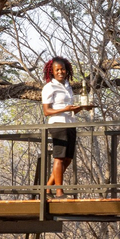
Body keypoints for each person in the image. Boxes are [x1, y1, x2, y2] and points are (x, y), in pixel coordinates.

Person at [41, 57, 91, 197]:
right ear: (52, 71)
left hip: (70, 123)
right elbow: (47, 111)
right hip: (57, 124)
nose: (60, 72)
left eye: (62, 69)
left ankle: (47, 187)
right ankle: (59, 192)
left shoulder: (68, 85)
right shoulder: (49, 87)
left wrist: (81, 108)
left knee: (68, 159)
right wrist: (64, 109)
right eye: (57, 70)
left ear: (67, 69)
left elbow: (70, 109)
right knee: (59, 158)